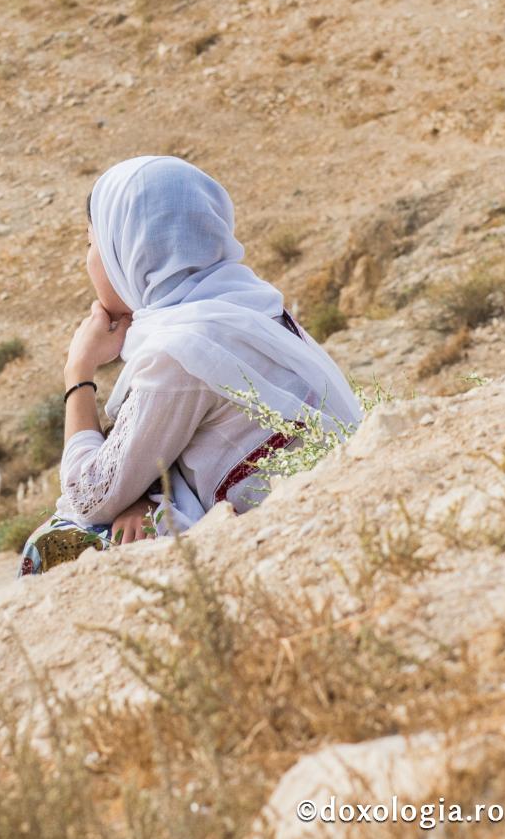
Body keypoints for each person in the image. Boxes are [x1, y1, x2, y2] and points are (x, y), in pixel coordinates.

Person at [19, 155, 363, 575]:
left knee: (58, 542)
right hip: (333, 512)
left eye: (92, 244)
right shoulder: (246, 304)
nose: (87, 260)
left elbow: (89, 496)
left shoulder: (181, 351)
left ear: (129, 250)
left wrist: (78, 372)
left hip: (286, 551)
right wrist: (143, 493)